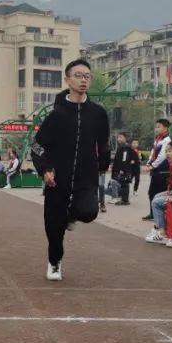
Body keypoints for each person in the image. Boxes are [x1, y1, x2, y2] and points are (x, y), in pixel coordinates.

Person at [30, 58, 110, 281]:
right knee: (53, 228)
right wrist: (45, 169)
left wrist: (103, 164)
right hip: (58, 179)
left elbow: (103, 144)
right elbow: (37, 146)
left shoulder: (98, 114)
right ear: (67, 79)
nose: (83, 80)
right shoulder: (56, 115)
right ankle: (54, 262)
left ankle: (70, 215)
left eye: (87, 76)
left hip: (86, 177)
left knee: (88, 212)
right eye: (78, 75)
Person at [143, 119, 172, 221]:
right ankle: (153, 213)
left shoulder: (167, 140)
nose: (156, 129)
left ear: (165, 128)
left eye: (158, 126)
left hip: (162, 171)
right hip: (156, 171)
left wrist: (153, 166)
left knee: (159, 193)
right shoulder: (158, 139)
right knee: (152, 192)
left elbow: (162, 156)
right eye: (156, 126)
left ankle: (161, 215)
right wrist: (148, 164)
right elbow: (152, 153)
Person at [110, 132, 139, 206]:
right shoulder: (121, 147)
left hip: (125, 169)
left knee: (125, 183)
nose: (119, 139)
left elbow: (124, 159)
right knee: (123, 183)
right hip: (123, 169)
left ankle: (125, 200)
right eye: (118, 137)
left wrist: (122, 169)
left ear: (125, 138)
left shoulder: (126, 148)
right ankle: (123, 198)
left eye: (121, 137)